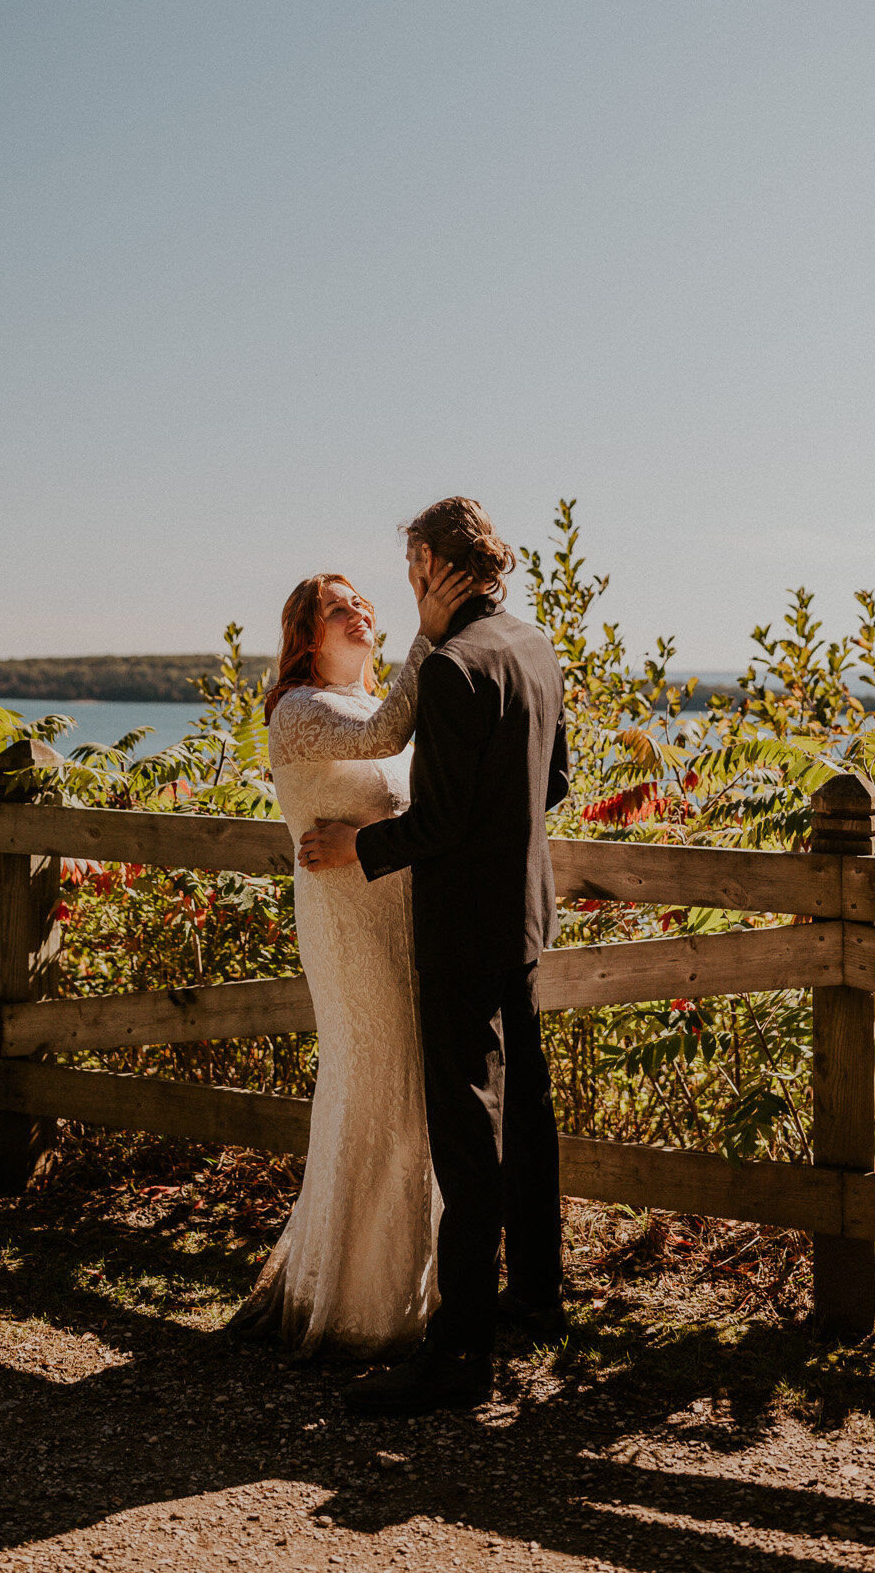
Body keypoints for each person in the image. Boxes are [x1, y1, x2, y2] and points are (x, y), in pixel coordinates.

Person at [300, 496, 570, 1415]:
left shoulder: (454, 668)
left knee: (468, 1136)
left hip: (460, 928)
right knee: (526, 1117)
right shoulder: (534, 647)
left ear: (426, 564)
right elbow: (555, 780)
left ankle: (459, 1357)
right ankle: (536, 1299)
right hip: (524, 918)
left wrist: (359, 850)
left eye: (409, 563)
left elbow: (444, 819)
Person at [229, 560, 471, 1355]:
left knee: (408, 1099)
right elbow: (383, 738)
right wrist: (433, 632)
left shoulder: (367, 701)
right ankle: (355, 1307)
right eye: (338, 609)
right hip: (348, 929)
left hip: (403, 921)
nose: (358, 614)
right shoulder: (300, 709)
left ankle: (409, 1292)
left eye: (363, 603)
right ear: (305, 638)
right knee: (378, 1089)